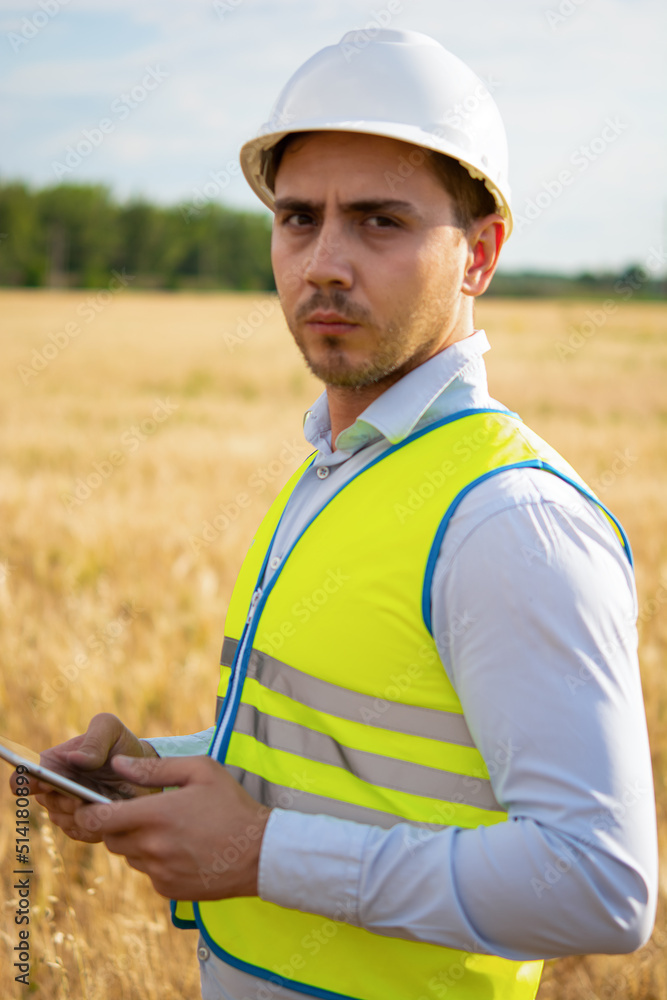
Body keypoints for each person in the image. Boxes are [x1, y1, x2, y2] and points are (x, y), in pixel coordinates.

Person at [26, 29, 656, 1000]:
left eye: (378, 222)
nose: (323, 262)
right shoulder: (335, 466)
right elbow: (350, 762)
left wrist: (259, 854)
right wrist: (161, 771)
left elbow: (600, 885)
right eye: (296, 219)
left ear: (478, 254)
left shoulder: (507, 519)